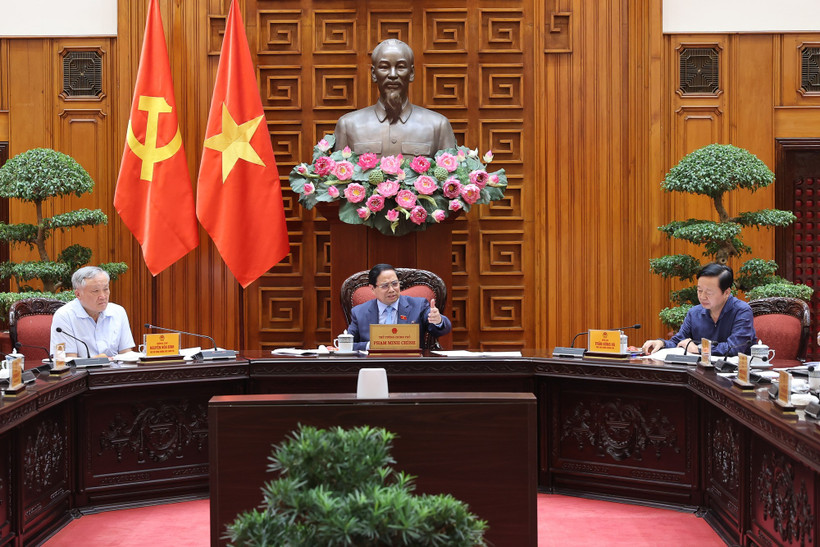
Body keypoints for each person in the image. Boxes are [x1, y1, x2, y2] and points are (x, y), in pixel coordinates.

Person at [333, 39, 457, 156]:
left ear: (411, 73)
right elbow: (335, 176)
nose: (392, 75)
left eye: (401, 67)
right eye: (384, 67)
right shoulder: (348, 125)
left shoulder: (438, 125)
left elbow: (451, 176)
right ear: (373, 74)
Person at [642, 263, 756, 357]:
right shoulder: (694, 313)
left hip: (735, 375)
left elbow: (735, 348)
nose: (702, 297)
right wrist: (661, 343)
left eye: (709, 292)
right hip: (701, 374)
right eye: (699, 290)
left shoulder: (742, 311)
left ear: (726, 293)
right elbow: (679, 341)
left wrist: (699, 349)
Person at [347, 263, 451, 351]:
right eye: (385, 286)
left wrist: (438, 320)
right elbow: (347, 344)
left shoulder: (418, 306)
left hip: (410, 366)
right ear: (372, 289)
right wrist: (370, 346)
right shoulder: (359, 312)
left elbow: (440, 330)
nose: (392, 290)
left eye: (395, 284)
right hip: (374, 366)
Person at [50, 266, 135, 358]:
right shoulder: (64, 315)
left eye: (106, 289)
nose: (103, 296)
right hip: (82, 372)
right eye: (95, 291)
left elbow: (126, 354)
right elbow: (67, 361)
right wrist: (97, 361)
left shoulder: (118, 312)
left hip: (115, 370)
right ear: (78, 294)